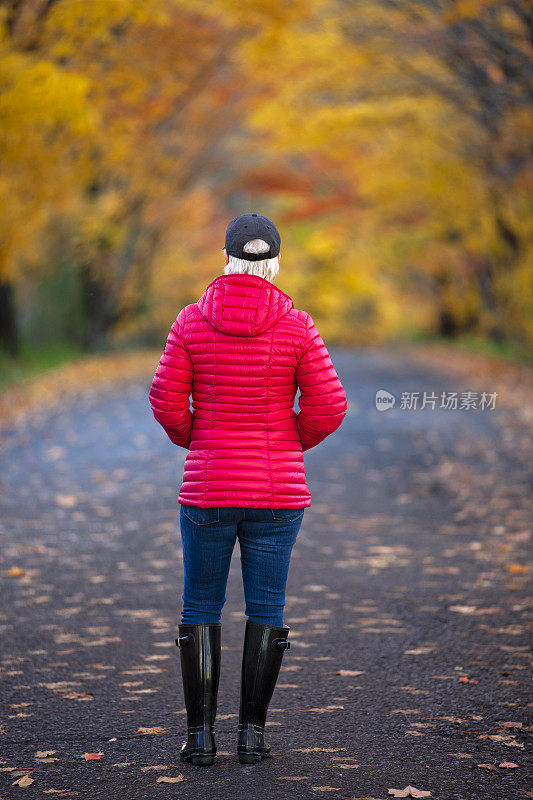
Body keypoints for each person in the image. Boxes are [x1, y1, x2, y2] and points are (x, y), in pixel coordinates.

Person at [148, 213, 347, 766]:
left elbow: (165, 400)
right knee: (267, 604)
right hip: (278, 493)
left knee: (200, 605)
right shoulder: (298, 325)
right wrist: (288, 444)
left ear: (226, 258)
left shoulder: (190, 322)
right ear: (275, 263)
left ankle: (201, 739)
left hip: (209, 488)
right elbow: (330, 406)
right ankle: (253, 737)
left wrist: (199, 439)